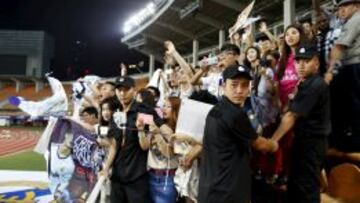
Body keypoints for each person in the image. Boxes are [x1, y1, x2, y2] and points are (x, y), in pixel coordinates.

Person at [198, 64, 278, 203]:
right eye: (234, 85)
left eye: (244, 85)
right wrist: (274, 144)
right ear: (223, 85)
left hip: (211, 189)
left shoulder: (216, 110)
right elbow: (260, 145)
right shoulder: (234, 114)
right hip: (227, 193)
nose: (239, 90)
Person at [271, 44, 330, 203]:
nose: (301, 65)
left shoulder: (315, 84)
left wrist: (272, 141)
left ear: (316, 63)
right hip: (303, 141)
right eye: (298, 62)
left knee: (307, 187)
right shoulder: (305, 83)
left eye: (306, 61)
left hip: (312, 143)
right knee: (296, 184)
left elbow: (291, 115)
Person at [108, 76, 165, 203]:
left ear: (134, 90)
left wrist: (150, 132)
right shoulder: (115, 113)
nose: (122, 93)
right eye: (119, 90)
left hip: (137, 176)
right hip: (117, 176)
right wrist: (106, 167)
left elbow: (161, 129)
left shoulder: (143, 111)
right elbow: (113, 144)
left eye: (126, 89)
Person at [326, 0, 360, 153]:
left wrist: (329, 72)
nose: (341, 10)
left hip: (355, 66)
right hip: (352, 66)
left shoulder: (356, 18)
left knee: (355, 105)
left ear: (357, 6)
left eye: (346, 6)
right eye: (340, 7)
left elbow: (339, 47)